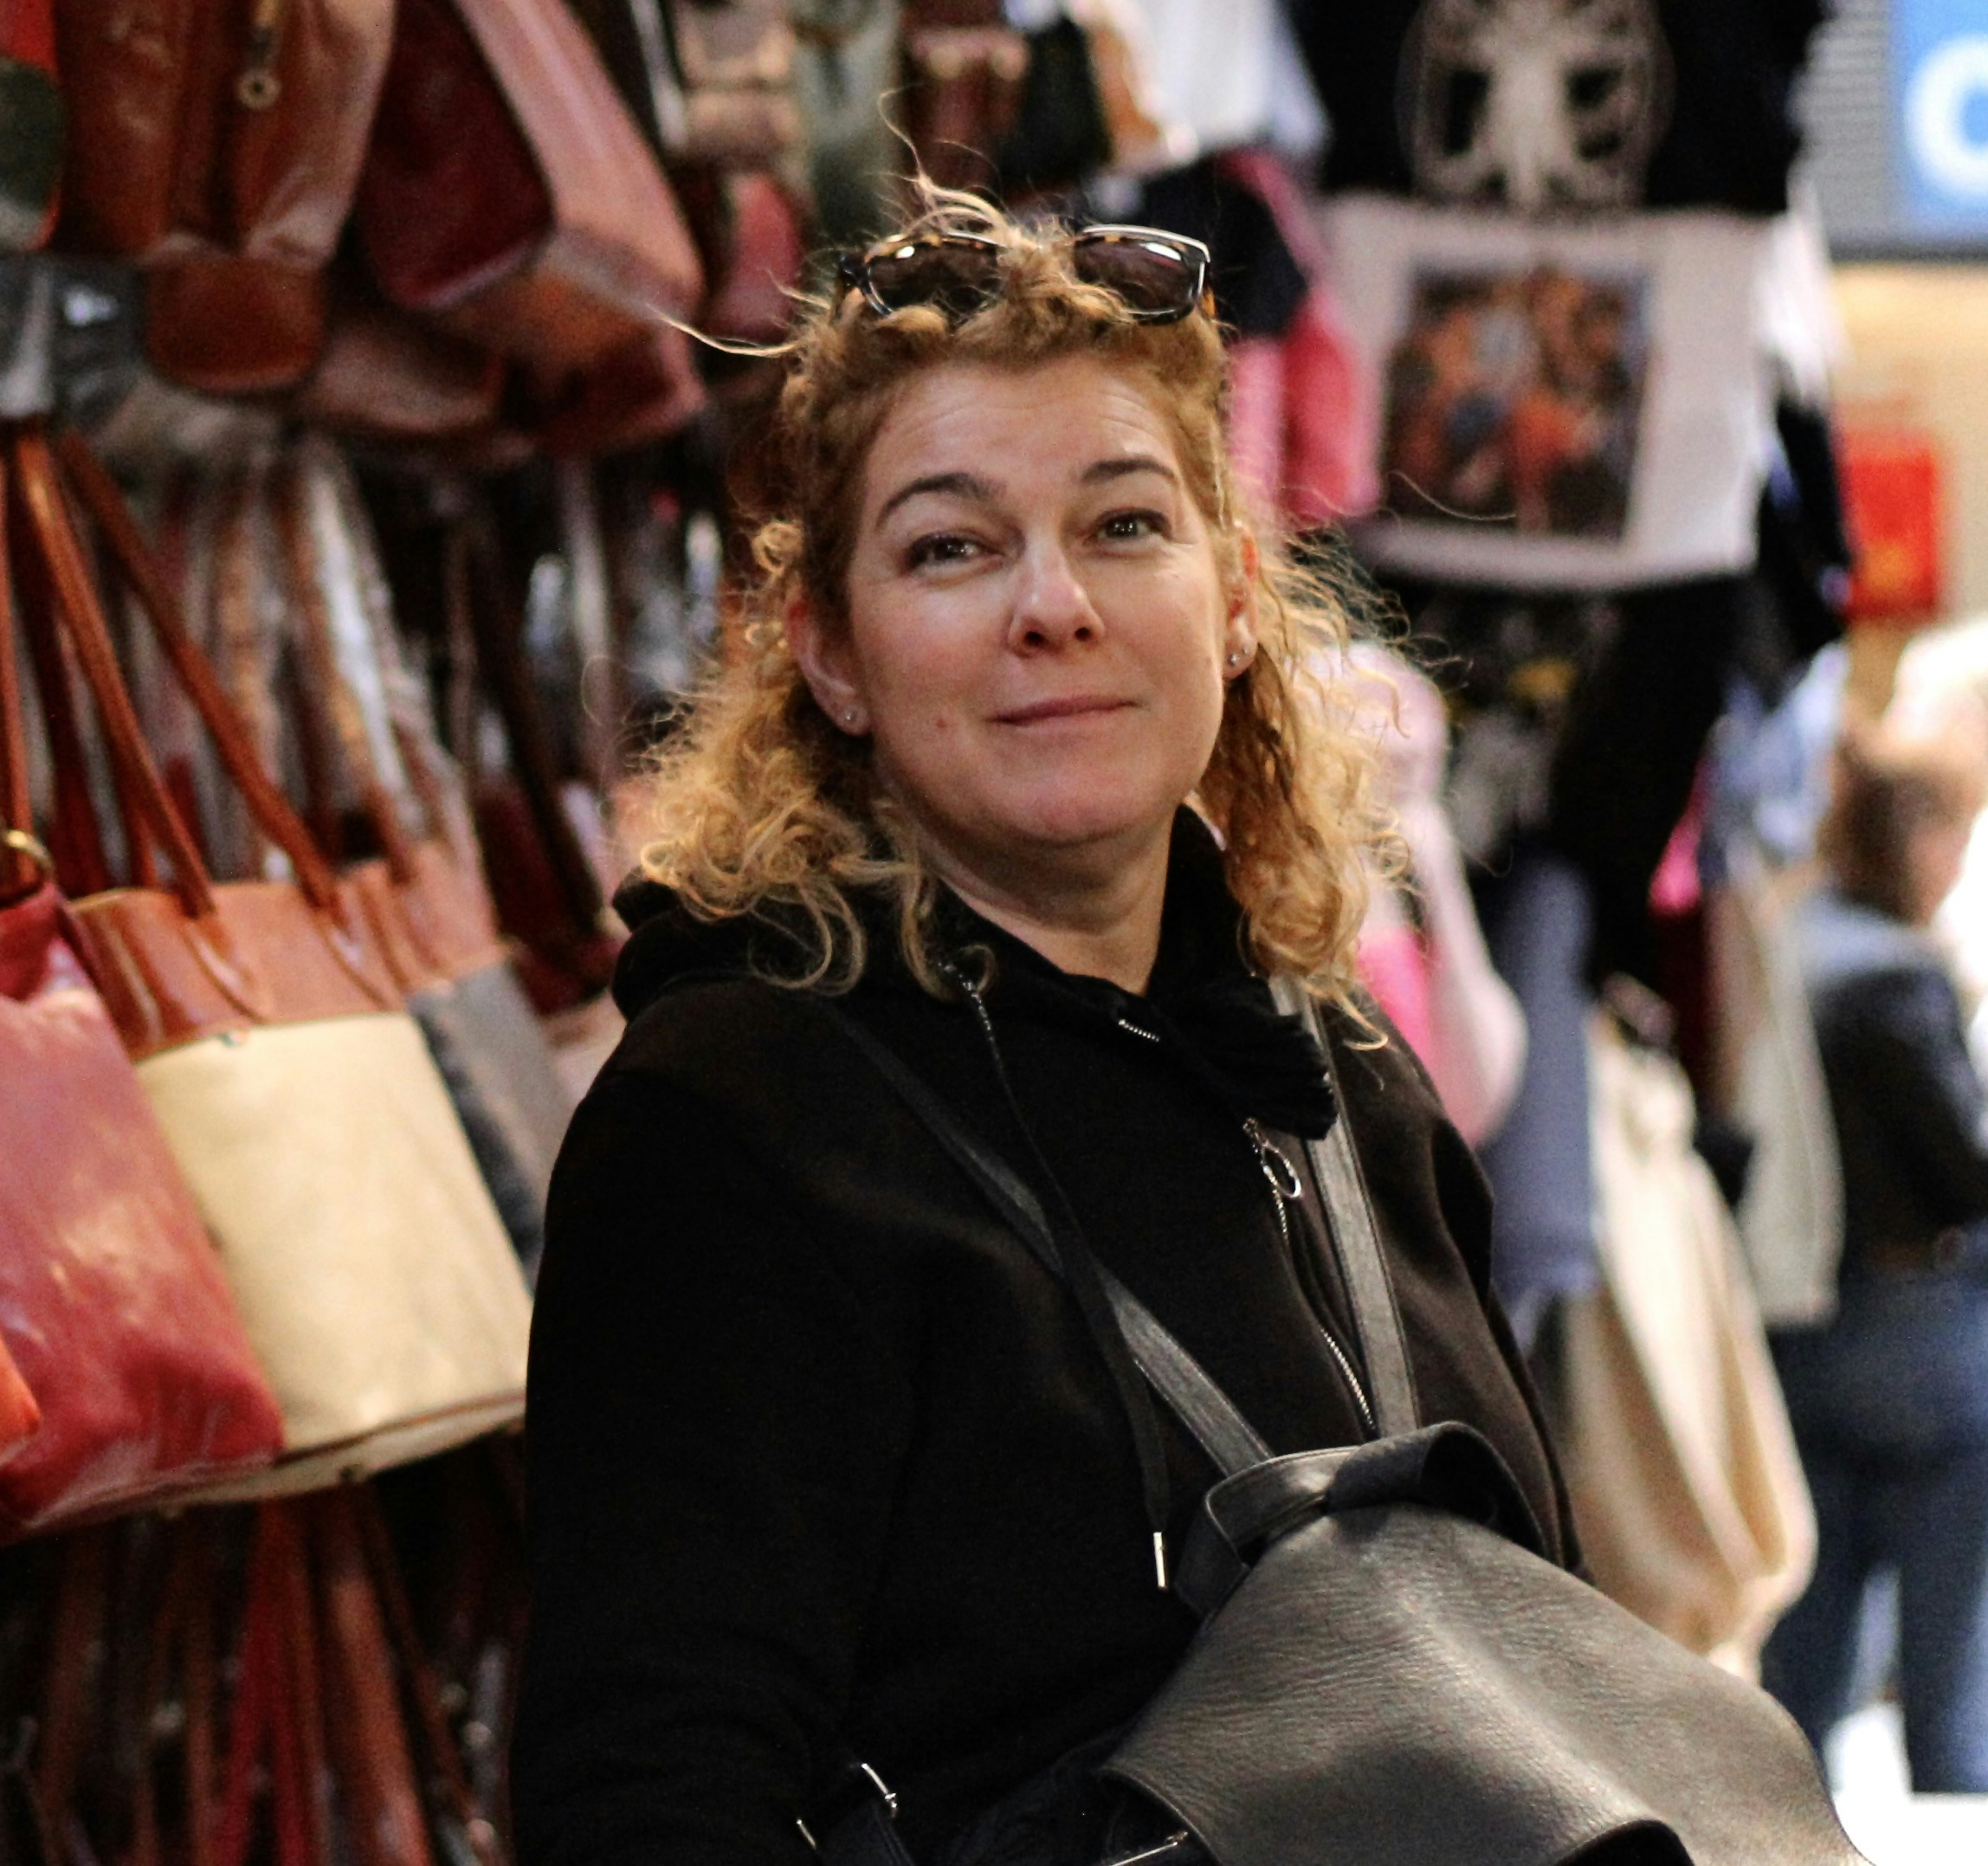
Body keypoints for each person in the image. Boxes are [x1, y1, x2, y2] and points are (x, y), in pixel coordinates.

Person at [515, 201, 1570, 1866]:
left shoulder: (1335, 1073)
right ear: (832, 656)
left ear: (1231, 596)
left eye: (1123, 525)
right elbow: (651, 1793)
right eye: (949, 546)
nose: (1051, 606)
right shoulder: (733, 1118)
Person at [1759, 720, 1988, 1795]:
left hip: (1800, 1328)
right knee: (1954, 1632)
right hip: (1918, 1331)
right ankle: (1953, 1798)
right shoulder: (1891, 980)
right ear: (1911, 834)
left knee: (1804, 1640)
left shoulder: (1787, 939)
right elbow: (1965, 1171)